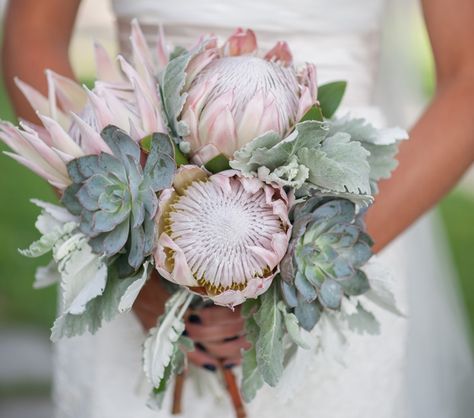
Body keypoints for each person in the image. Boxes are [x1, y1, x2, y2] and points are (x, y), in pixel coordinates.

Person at [2, 0, 474, 417]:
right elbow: (35, 36)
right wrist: (133, 249)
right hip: (130, 208)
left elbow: (466, 83)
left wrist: (299, 263)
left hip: (348, 223)